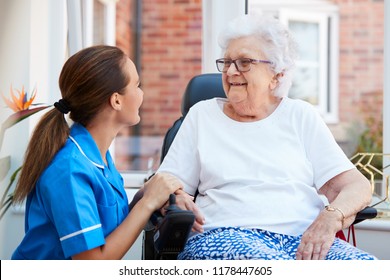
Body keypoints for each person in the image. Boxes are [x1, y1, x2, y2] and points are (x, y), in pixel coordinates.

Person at [156, 14, 376, 260]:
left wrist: (330, 217)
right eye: (227, 62)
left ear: (277, 75)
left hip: (303, 240)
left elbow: (356, 186)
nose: (230, 71)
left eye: (244, 62)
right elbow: (164, 186)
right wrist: (176, 197)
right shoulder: (202, 116)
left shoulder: (300, 115)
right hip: (225, 234)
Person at [11, 45, 181, 260]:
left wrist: (145, 197)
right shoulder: (69, 169)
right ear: (116, 100)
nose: (141, 93)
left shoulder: (97, 156)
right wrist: (147, 204)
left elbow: (106, 227)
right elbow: (92, 266)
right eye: (137, 85)